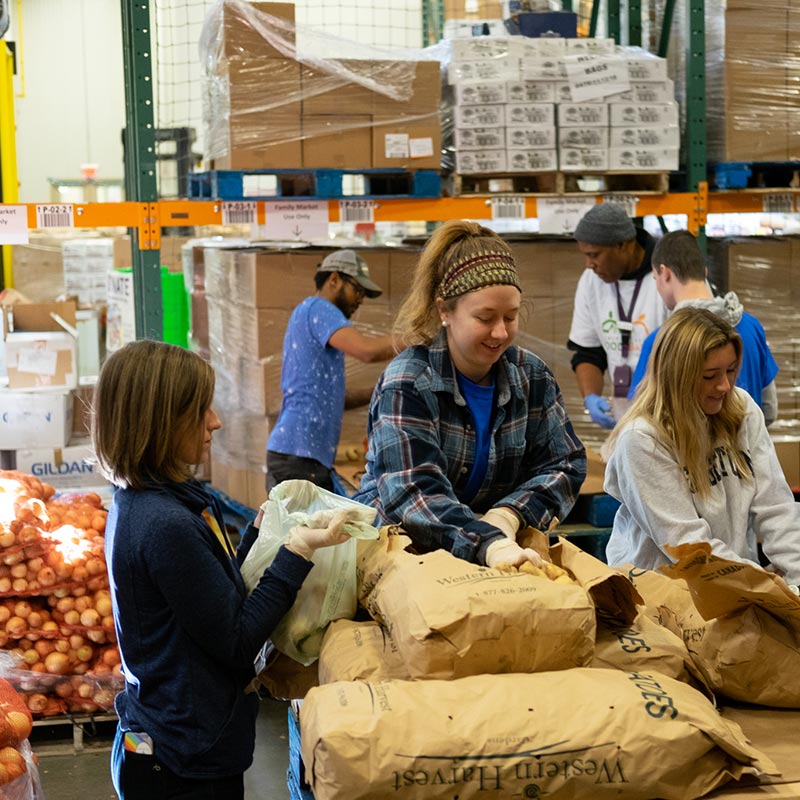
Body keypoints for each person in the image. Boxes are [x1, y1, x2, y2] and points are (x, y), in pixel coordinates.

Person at [92, 340, 348, 800]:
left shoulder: (154, 501)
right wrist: (296, 552)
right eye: (199, 410)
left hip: (170, 735)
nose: (215, 421)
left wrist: (256, 534)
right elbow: (237, 639)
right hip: (184, 761)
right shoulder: (164, 524)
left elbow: (207, 594)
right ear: (159, 421)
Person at [354, 220, 586, 569]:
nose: (500, 332)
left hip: (498, 552)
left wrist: (510, 514)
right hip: (403, 556)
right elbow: (413, 492)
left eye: (511, 316)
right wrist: (487, 543)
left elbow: (565, 463)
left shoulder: (531, 377)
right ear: (444, 311)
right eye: (485, 317)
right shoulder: (408, 383)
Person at [604, 307, 800, 589]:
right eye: (710, 376)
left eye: (731, 371)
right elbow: (688, 544)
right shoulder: (642, 439)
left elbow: (776, 507)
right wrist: (766, 588)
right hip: (659, 592)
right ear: (677, 376)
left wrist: (796, 579)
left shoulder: (742, 409)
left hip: (733, 581)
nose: (724, 386)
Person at [266, 249, 396, 493]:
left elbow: (334, 399)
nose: (360, 299)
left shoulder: (309, 315)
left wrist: (380, 391)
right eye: (357, 289)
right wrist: (414, 339)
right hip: (299, 457)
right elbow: (366, 351)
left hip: (299, 456)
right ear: (334, 279)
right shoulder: (319, 307)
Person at [628, 229, 779, 425]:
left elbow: (642, 420)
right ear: (705, 272)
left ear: (665, 273)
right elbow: (769, 409)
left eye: (655, 279)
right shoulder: (752, 326)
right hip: (746, 451)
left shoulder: (661, 342)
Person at [567, 203, 668, 429]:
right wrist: (590, 397)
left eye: (594, 255)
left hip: (670, 417)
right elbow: (587, 352)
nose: (589, 265)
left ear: (622, 245)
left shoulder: (666, 275)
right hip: (625, 423)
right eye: (585, 256)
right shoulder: (590, 281)